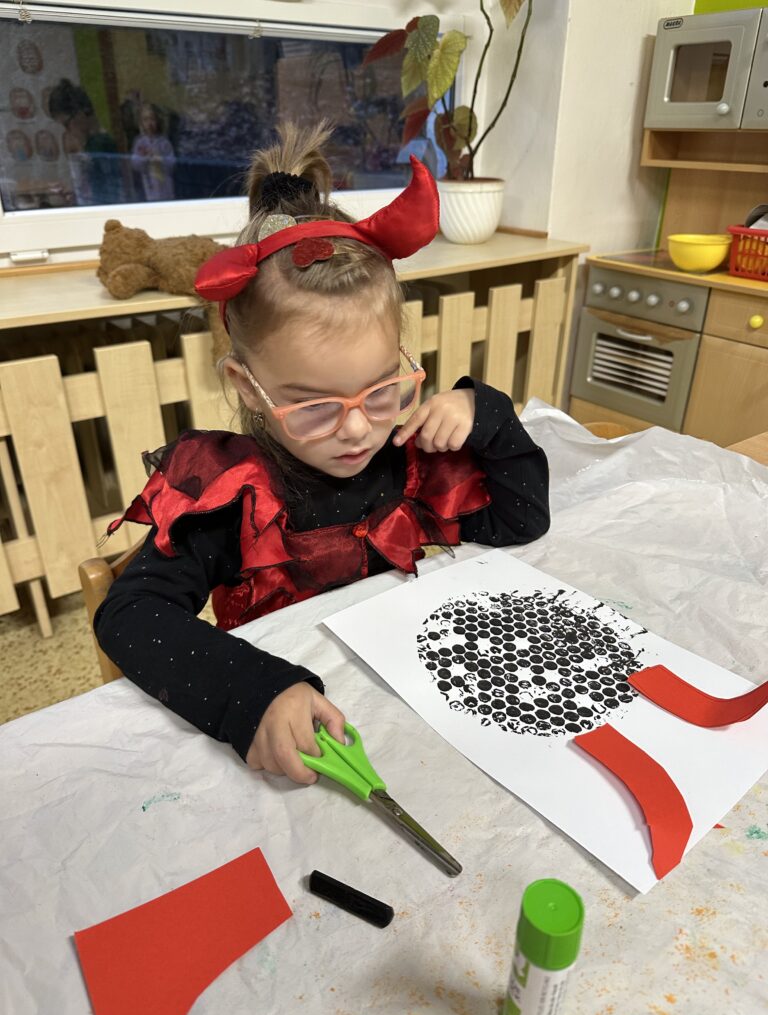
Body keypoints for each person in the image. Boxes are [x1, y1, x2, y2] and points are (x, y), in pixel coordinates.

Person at [95, 122, 550, 786]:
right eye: (313, 406)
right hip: (298, 748)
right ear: (246, 385)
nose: (358, 430)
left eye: (382, 390)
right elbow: (129, 616)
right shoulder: (234, 498)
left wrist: (488, 414)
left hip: (413, 722)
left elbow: (521, 521)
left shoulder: (405, 460)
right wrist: (250, 693)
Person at [48, 78, 124, 206]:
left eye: (66, 124)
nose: (67, 130)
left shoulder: (99, 144)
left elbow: (108, 194)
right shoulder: (91, 144)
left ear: (80, 114)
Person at [130, 102, 175, 201]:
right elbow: (135, 164)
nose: (149, 123)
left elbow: (172, 164)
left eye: (152, 119)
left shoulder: (164, 142)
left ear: (158, 121)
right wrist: (144, 158)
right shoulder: (139, 142)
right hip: (147, 186)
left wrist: (160, 159)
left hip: (164, 187)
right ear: (141, 123)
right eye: (145, 120)